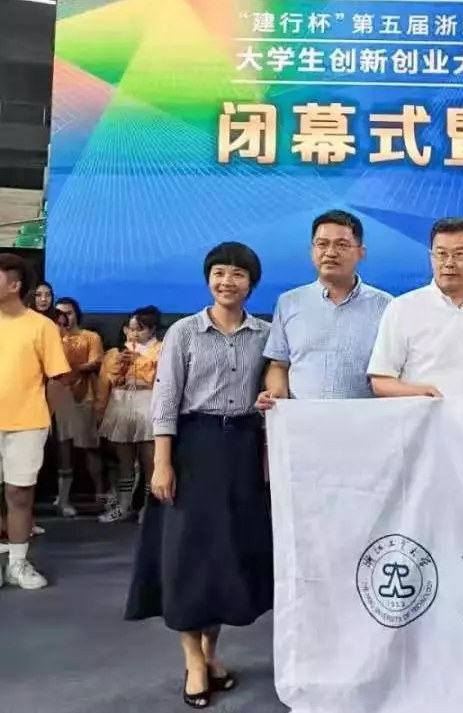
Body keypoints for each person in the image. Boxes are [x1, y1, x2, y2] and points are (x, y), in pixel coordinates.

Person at [125, 242, 273, 708]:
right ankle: (192, 659)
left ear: (252, 283)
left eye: (238, 274)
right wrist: (162, 462)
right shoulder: (185, 332)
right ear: (208, 278)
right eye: (219, 273)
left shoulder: (266, 334)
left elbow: (273, 388)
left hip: (243, 450)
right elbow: (166, 399)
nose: (227, 281)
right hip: (193, 448)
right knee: (187, 557)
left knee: (225, 557)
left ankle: (210, 653)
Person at [368, 217, 463, 401]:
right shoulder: (402, 308)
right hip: (421, 416)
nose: (449, 263)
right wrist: (420, 393)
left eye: (458, 254)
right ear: (431, 257)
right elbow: (380, 381)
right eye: (441, 254)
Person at [257, 210, 391, 410]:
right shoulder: (289, 302)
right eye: (322, 244)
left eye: (341, 245)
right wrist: (276, 394)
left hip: (364, 420)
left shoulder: (386, 305)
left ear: (361, 252)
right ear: (312, 250)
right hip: (303, 420)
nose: (330, 252)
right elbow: (279, 364)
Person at [0, 254, 69, 590]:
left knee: (19, 493)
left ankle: (17, 563)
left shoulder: (41, 326)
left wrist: (44, 415)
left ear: (15, 285)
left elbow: (58, 376)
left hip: (27, 423)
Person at [95, 306, 163, 523]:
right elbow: (106, 383)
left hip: (148, 403)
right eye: (131, 329)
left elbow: (163, 380)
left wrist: (141, 361)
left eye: (140, 329)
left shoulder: (161, 350)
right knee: (124, 460)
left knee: (149, 460)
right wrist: (119, 366)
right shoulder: (115, 352)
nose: (134, 334)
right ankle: (124, 505)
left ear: (152, 330)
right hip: (121, 403)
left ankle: (149, 508)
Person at [50, 297, 105, 516]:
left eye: (69, 313)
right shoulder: (51, 338)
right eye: (59, 314)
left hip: (84, 397)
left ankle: (101, 494)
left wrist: (71, 368)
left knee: (90, 447)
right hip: (57, 397)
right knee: (62, 447)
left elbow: (96, 361)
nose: (64, 318)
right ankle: (63, 499)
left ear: (76, 314)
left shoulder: (90, 337)